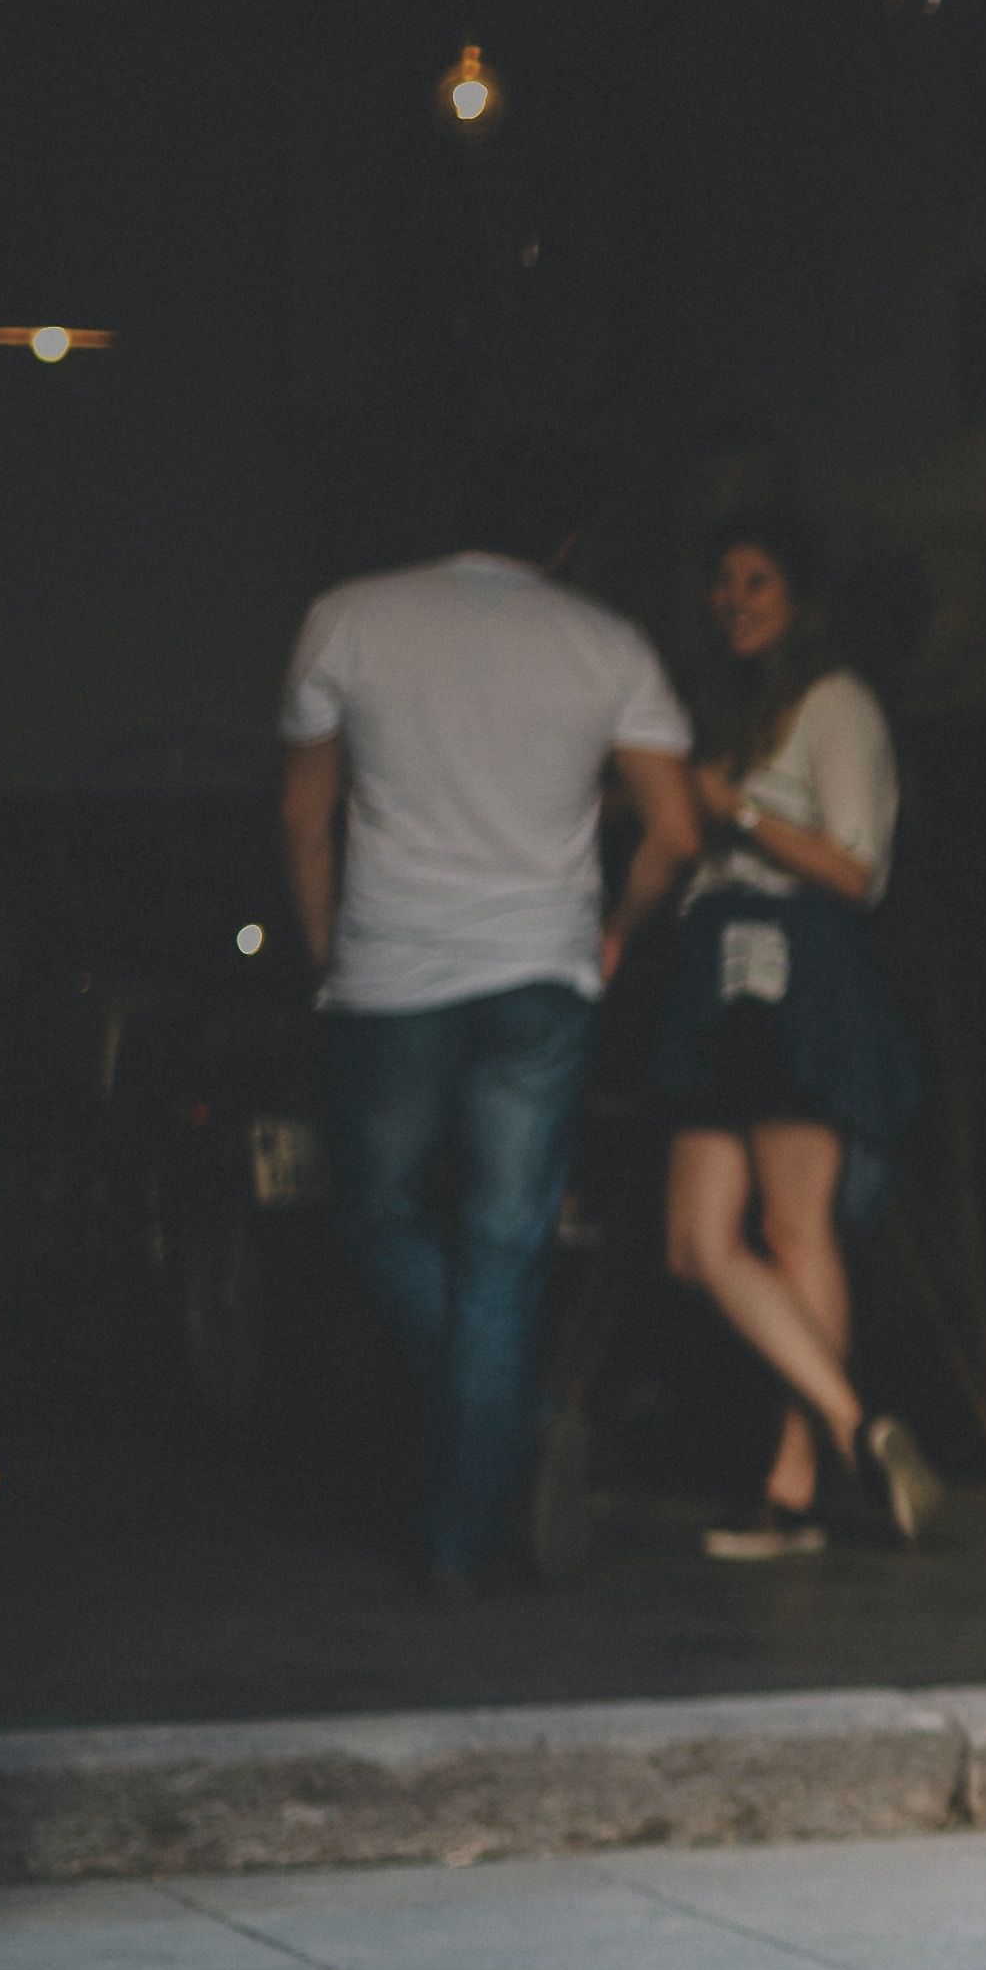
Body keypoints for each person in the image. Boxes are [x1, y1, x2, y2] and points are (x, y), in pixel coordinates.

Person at [281, 426, 698, 1592]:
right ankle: (466, 1533)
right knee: (506, 1251)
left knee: (376, 1218)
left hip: (393, 972)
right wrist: (615, 930)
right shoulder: (607, 643)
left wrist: (330, 952)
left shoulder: (348, 617)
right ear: (565, 537)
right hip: (540, 972)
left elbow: (304, 814)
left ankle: (516, 1419)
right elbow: (674, 830)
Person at [650, 510, 939, 1555]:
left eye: (757, 579)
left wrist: (735, 816)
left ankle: (797, 1484)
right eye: (723, 579)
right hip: (716, 981)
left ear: (800, 597)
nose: (734, 598)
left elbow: (857, 871)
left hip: (803, 979)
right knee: (695, 1241)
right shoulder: (729, 712)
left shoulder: (837, 703)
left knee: (792, 1228)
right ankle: (862, 1428)